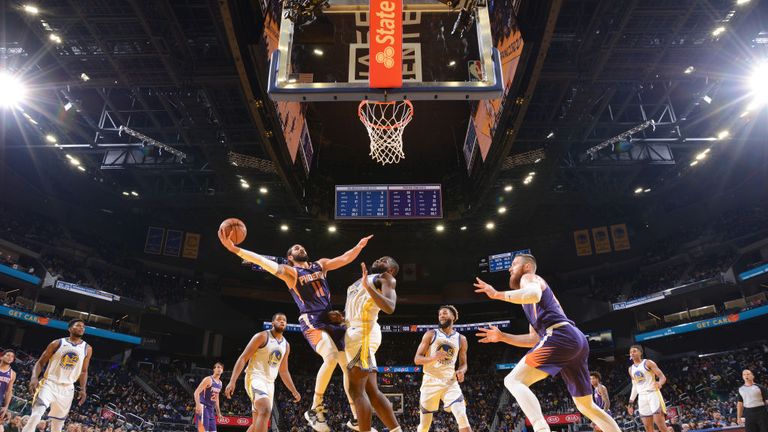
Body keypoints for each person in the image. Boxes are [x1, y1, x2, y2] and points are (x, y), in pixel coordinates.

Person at [219, 229, 372, 432]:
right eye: (295, 248)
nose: (301, 247)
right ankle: (314, 408)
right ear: (290, 257)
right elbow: (265, 263)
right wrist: (235, 249)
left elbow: (343, 258)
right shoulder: (291, 273)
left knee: (347, 365)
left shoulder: (321, 265)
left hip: (330, 318)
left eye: (302, 246)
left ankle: (354, 418)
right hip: (311, 319)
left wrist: (358, 246)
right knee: (332, 356)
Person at [473, 253, 620, 432]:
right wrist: (503, 336)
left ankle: (541, 429)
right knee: (586, 406)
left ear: (526, 267)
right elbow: (534, 340)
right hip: (574, 340)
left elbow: (533, 294)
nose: (510, 269)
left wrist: (496, 294)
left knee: (513, 380)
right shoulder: (529, 305)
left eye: (514, 264)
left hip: (560, 336)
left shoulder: (529, 278)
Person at [344, 259, 402, 432]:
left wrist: (368, 288)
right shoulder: (360, 280)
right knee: (371, 390)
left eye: (384, 260)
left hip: (364, 332)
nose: (378, 260)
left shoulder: (386, 278)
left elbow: (390, 307)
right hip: (355, 332)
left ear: (391, 269)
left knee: (356, 390)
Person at [225, 313, 300, 432]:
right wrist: (232, 381)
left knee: (257, 423)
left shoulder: (286, 345)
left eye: (284, 320)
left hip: (270, 383)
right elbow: (243, 358)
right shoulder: (261, 336)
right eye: (279, 320)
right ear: (272, 323)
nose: (282, 322)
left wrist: (293, 390)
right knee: (265, 410)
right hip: (255, 377)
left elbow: (284, 371)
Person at [22, 319, 93, 432]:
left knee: (58, 425)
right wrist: (34, 377)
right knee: (36, 415)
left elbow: (84, 371)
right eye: (78, 325)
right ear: (70, 329)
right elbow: (40, 362)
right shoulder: (57, 343)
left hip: (68, 388)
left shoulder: (87, 348)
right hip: (49, 383)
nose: (81, 328)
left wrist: (83, 389)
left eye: (83, 327)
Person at [414, 305, 471, 432]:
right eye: (440, 315)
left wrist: (461, 371)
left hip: (449, 382)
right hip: (430, 381)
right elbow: (417, 359)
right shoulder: (430, 334)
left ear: (453, 317)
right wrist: (433, 357)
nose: (441, 316)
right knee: (424, 426)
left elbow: (464, 363)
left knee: (462, 415)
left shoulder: (461, 339)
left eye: (444, 313)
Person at [627, 345, 668, 432]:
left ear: (640, 353)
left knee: (661, 426)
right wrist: (630, 403)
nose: (632, 353)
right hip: (641, 397)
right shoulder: (630, 369)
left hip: (653, 394)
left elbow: (662, 377)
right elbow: (635, 386)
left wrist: (659, 383)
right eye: (630, 352)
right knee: (648, 429)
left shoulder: (648, 363)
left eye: (634, 351)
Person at [193, 362, 224, 432]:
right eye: (218, 367)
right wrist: (198, 405)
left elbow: (216, 398)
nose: (220, 369)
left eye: (221, 368)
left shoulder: (220, 383)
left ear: (222, 371)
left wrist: (218, 412)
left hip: (211, 409)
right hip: (203, 407)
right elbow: (196, 392)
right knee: (203, 430)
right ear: (214, 369)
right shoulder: (208, 379)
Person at [0, 350, 16, 423]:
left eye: (12, 356)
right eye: (8, 355)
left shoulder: (12, 373)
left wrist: (6, 407)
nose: (10, 357)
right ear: (2, 357)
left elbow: (8, 391)